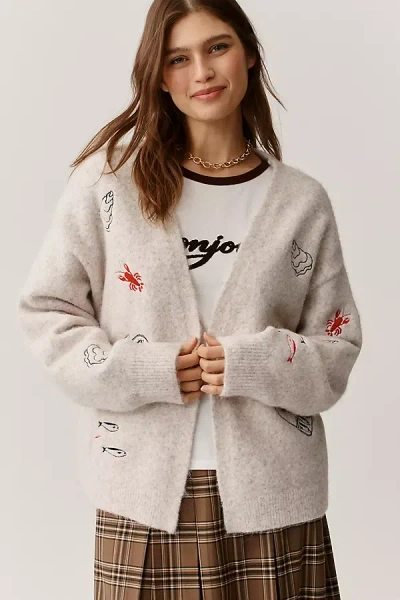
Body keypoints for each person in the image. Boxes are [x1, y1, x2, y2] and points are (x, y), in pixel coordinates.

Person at [17, 0, 363, 598]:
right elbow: (48, 311)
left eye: (217, 47)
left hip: (274, 502)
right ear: (158, 75)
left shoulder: (301, 202)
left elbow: (337, 351)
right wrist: (142, 369)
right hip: (144, 501)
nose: (201, 71)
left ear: (248, 54)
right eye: (178, 58)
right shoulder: (110, 184)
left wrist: (255, 362)